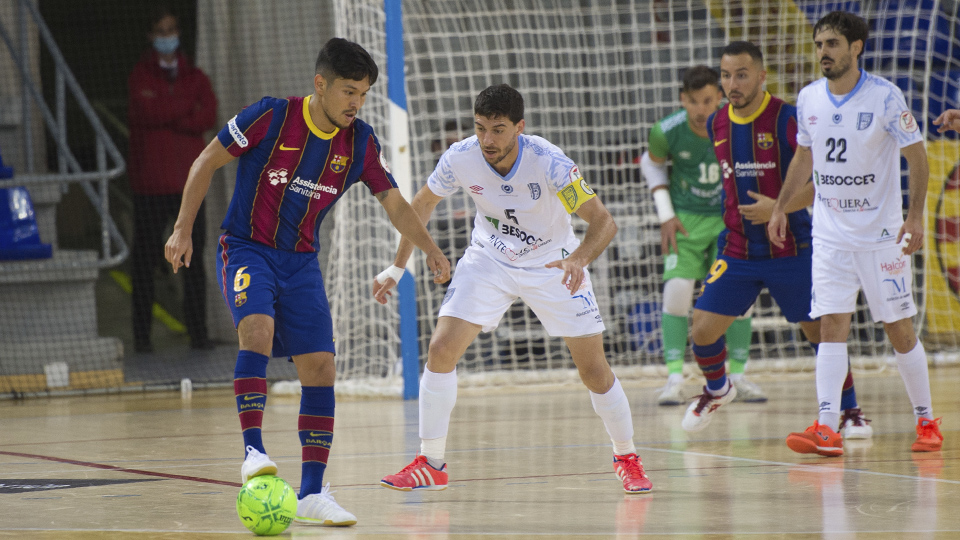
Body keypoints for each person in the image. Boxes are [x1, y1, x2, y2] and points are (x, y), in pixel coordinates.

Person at [164, 37, 452, 526]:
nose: (355, 103)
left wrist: (430, 248)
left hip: (301, 263)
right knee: (256, 328)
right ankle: (254, 452)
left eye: (362, 94)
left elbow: (397, 204)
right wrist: (182, 228)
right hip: (247, 247)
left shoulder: (360, 143)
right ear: (320, 84)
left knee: (321, 365)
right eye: (347, 91)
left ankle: (313, 492)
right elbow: (204, 162)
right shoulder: (269, 117)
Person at [372, 84, 653, 494]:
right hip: (490, 259)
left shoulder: (550, 163)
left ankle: (627, 457)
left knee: (593, 370)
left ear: (520, 127)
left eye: (498, 130)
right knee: (440, 349)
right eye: (481, 127)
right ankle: (431, 464)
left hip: (554, 264)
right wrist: (398, 267)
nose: (487, 139)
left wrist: (578, 259)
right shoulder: (461, 157)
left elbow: (604, 222)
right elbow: (421, 204)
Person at [769, 11, 943, 456]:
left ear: (855, 47)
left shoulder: (885, 97)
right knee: (831, 323)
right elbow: (802, 161)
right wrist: (780, 208)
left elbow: (918, 159)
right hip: (830, 235)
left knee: (898, 328)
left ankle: (926, 421)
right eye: (819, 44)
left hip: (882, 234)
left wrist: (916, 216)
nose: (823, 52)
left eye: (831, 43)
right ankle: (827, 426)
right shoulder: (808, 98)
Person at [679, 41, 871, 438]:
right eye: (727, 75)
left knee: (820, 333)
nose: (732, 83)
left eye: (742, 74)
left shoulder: (787, 117)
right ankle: (718, 389)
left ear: (762, 76)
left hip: (791, 248)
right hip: (737, 248)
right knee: (701, 330)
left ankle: (850, 412)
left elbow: (823, 181)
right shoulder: (716, 122)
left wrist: (778, 208)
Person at [640, 65, 762, 406]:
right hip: (686, 221)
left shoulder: (738, 124)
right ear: (683, 100)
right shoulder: (666, 130)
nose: (700, 109)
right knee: (677, 293)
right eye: (693, 101)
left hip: (729, 219)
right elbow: (651, 164)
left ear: (719, 99)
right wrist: (666, 214)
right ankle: (675, 379)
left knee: (739, 300)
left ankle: (736, 375)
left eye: (707, 101)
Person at [128, 7, 217, 353]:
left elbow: (207, 115)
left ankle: (199, 333)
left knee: (193, 262)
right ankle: (141, 338)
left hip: (189, 188)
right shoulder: (140, 75)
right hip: (150, 186)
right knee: (145, 263)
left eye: (172, 29)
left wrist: (167, 109)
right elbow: (145, 112)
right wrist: (184, 109)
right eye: (161, 30)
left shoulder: (196, 76)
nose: (168, 36)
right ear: (151, 35)